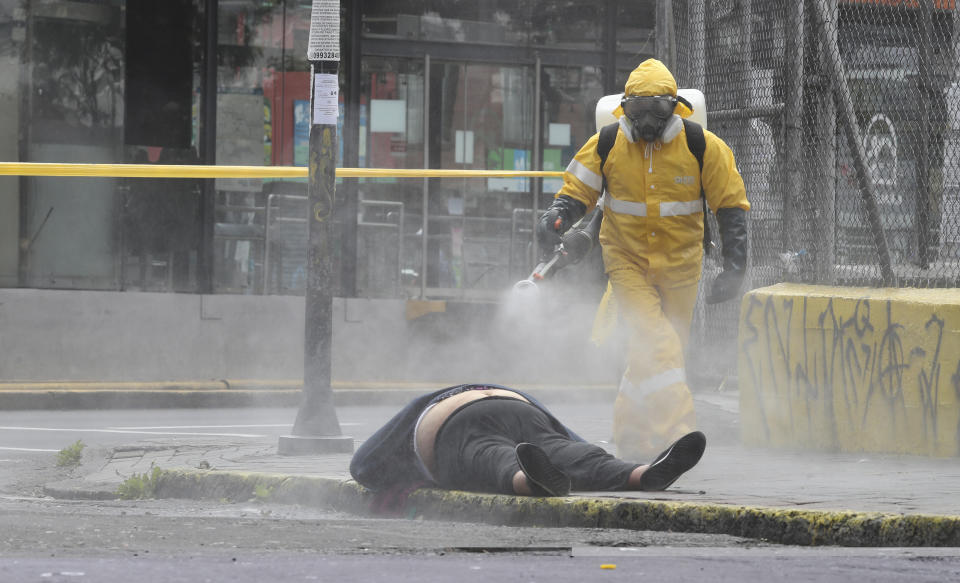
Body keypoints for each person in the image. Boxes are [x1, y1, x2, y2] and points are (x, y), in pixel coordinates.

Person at [537, 59, 749, 461]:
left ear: (675, 107)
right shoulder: (607, 143)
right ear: (625, 109)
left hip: (682, 267)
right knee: (657, 342)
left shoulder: (703, 146)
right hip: (627, 261)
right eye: (637, 111)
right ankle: (681, 434)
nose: (648, 121)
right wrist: (558, 215)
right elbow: (577, 191)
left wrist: (735, 265)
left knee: (654, 353)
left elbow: (731, 204)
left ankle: (632, 438)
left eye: (658, 111)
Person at [349, 383, 706, 497]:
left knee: (489, 457)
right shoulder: (496, 388)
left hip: (455, 422)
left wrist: (414, 478)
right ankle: (641, 474)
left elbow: (362, 465)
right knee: (572, 453)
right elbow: (566, 437)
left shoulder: (426, 404)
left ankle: (528, 481)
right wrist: (598, 462)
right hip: (524, 409)